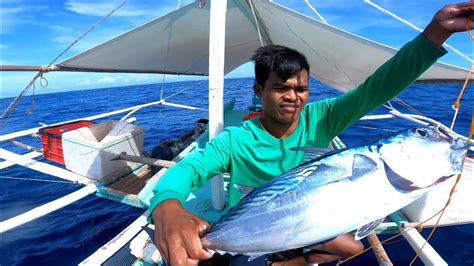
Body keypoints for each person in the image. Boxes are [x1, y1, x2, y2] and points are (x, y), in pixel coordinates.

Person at [148, 2, 474, 265]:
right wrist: (167, 207)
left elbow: (378, 88)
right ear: (260, 90)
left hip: (308, 216)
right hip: (252, 223)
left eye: (302, 89)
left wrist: (435, 34)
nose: (293, 97)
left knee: (353, 248)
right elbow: (189, 169)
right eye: (281, 88)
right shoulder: (236, 139)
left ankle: (288, 261)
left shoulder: (322, 117)